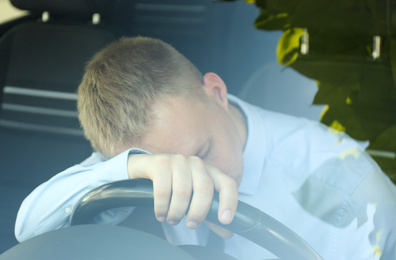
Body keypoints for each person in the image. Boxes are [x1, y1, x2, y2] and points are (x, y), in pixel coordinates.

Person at [15, 36, 396, 259]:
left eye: (201, 152)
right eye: (164, 165)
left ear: (216, 92)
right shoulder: (137, 153)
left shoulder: (347, 187)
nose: (200, 180)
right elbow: (29, 234)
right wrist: (134, 170)